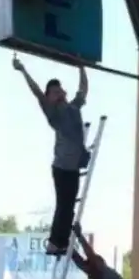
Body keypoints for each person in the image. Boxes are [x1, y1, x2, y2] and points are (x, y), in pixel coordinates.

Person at [13, 56, 90, 256]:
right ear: (50, 98)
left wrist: (82, 67)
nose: (59, 94)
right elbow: (37, 92)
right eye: (54, 93)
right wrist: (22, 70)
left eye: (59, 91)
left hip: (73, 166)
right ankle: (54, 243)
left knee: (69, 207)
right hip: (62, 167)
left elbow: (83, 89)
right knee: (63, 206)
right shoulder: (53, 113)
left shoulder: (73, 107)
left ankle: (61, 242)